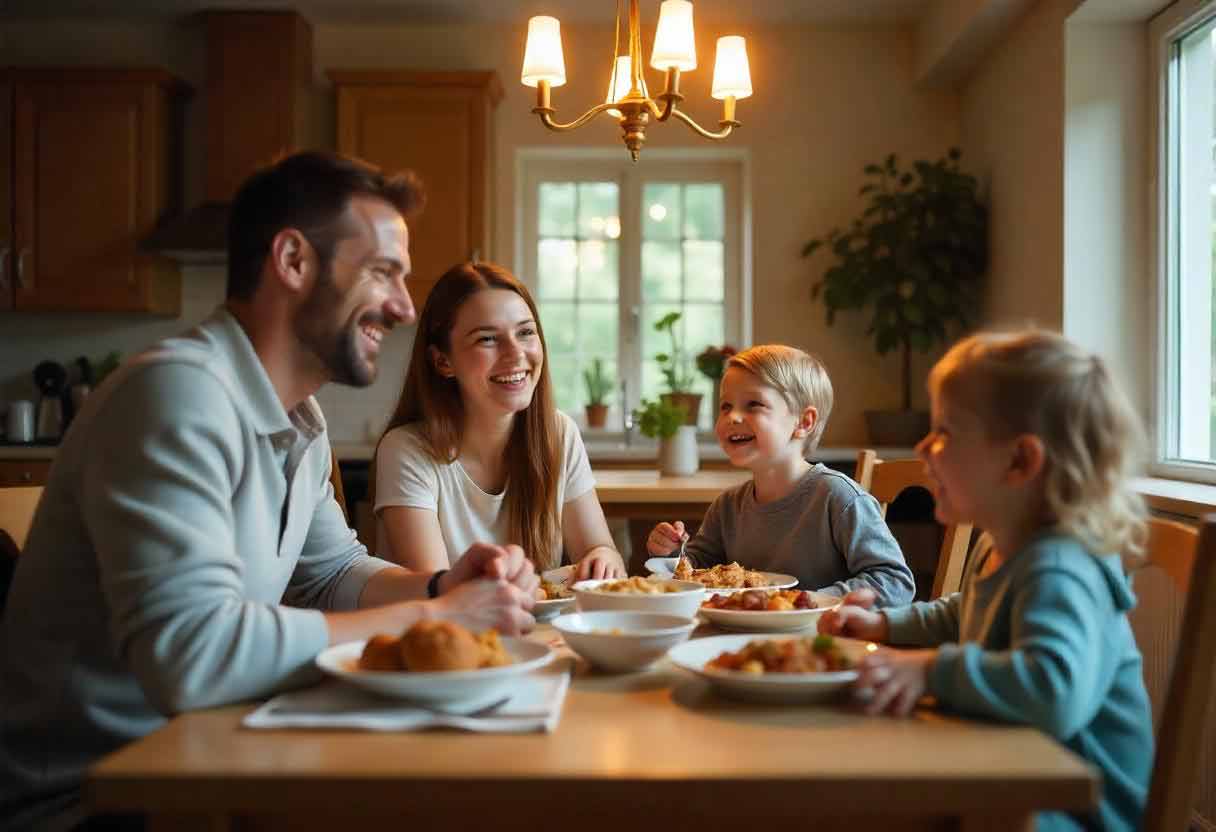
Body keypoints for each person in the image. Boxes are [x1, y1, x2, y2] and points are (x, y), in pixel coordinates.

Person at [0, 152, 539, 831]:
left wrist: (437, 585)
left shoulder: (300, 419)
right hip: (96, 800)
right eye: (382, 272)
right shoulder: (178, 394)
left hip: (211, 755)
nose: (404, 306)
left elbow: (330, 573)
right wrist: (439, 619)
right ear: (292, 261)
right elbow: (192, 657)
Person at [819, 330, 1153, 832]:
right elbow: (962, 614)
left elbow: (1053, 691)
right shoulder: (1003, 546)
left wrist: (929, 671)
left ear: (1020, 461)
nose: (923, 447)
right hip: (1004, 775)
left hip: (1066, 814)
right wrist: (882, 626)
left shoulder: (1060, 567)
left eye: (945, 432)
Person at [374, 261, 627, 582]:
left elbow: (598, 549)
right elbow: (440, 596)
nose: (515, 353)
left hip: (539, 631)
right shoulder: (406, 450)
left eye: (525, 332)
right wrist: (561, 578)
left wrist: (604, 557)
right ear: (442, 361)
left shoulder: (559, 433)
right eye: (487, 339)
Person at [646, 344, 914, 606]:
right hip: (744, 636)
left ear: (803, 422)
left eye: (753, 404)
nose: (733, 417)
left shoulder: (839, 498)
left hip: (818, 640)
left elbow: (894, 581)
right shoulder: (727, 507)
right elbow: (697, 569)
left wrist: (812, 601)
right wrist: (672, 552)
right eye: (726, 406)